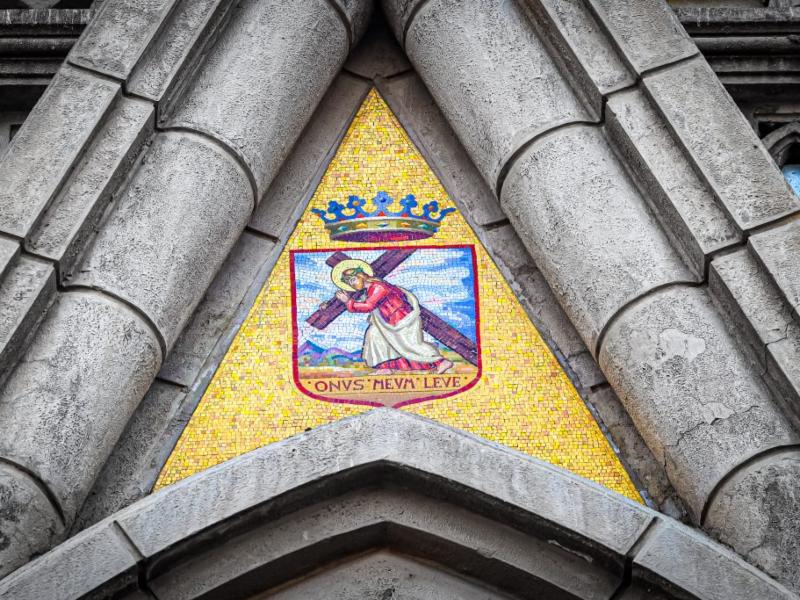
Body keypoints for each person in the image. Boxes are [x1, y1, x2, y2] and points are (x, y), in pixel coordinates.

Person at [332, 259, 453, 375]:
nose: (352, 284)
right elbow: (365, 301)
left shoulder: (379, 287)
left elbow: (368, 305)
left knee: (408, 344)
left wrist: (348, 301)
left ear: (361, 276)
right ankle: (384, 367)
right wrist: (328, 305)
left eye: (352, 280)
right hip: (388, 321)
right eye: (349, 283)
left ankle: (441, 362)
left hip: (401, 319)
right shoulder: (369, 289)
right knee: (373, 335)